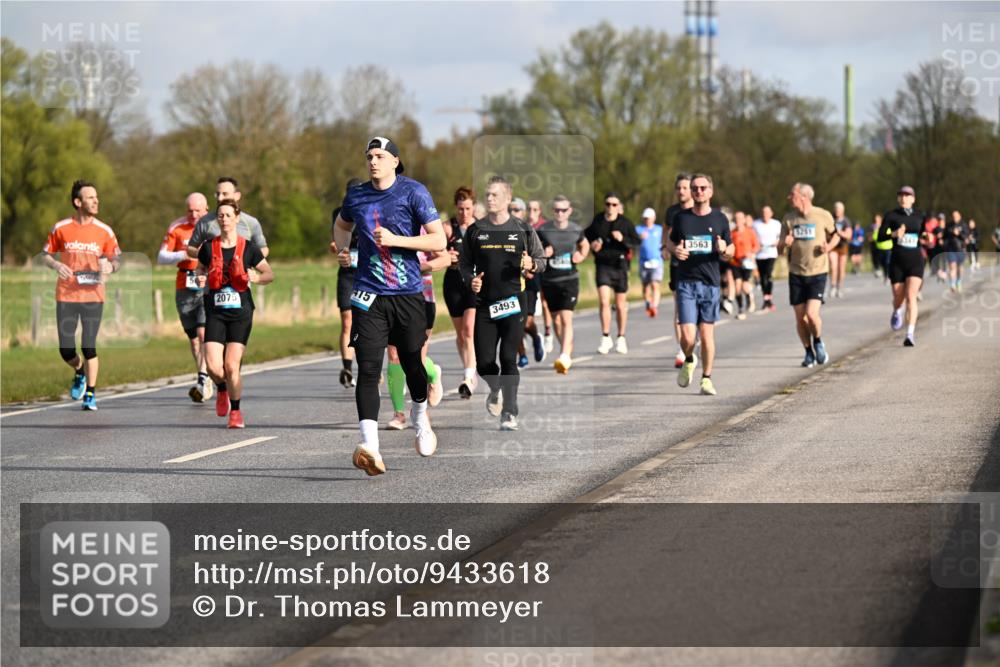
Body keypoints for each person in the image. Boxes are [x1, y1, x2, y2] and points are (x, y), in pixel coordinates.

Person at [332, 136, 446, 476]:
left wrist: (398, 240)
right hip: (368, 294)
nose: (373, 161)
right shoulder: (356, 196)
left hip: (407, 293)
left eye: (380, 155)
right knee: (368, 368)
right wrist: (341, 249)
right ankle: (370, 446)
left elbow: (438, 240)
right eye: (369, 156)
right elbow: (342, 224)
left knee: (413, 363)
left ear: (395, 161)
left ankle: (419, 416)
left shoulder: (414, 192)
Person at [460, 175, 546, 430]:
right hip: (485, 304)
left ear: (508, 199)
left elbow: (541, 261)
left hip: (513, 303)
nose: (489, 198)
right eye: (487, 194)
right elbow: (464, 264)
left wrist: (532, 264)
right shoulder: (476, 231)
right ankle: (495, 387)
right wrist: (471, 280)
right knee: (485, 362)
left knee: (509, 357)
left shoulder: (522, 229)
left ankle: (510, 411)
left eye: (495, 195)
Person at [42, 180, 122, 411]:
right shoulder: (61, 228)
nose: (96, 200)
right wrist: (57, 266)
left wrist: (111, 268)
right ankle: (79, 372)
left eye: (97, 197)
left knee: (88, 346)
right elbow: (46, 255)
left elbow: (116, 259)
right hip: (66, 294)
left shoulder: (104, 230)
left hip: (93, 294)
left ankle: (91, 394)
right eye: (90, 197)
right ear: (78, 202)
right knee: (66, 349)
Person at [196, 199, 274, 428]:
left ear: (237, 218)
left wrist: (256, 278)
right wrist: (200, 277)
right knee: (212, 366)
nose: (224, 219)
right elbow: (200, 269)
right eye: (220, 215)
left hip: (241, 312)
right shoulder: (209, 247)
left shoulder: (248, 247)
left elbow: (269, 274)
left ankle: (236, 412)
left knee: (231, 366)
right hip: (215, 311)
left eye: (229, 215)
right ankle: (221, 387)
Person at [665, 173, 734, 396]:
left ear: (711, 191)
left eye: (703, 188)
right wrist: (675, 250)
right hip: (686, 282)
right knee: (687, 336)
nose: (698, 192)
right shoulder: (681, 218)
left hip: (710, 283)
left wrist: (724, 249)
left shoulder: (720, 219)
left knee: (706, 334)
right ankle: (689, 358)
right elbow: (669, 239)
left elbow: (731, 251)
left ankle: (706, 379)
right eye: (695, 188)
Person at [385, 241, 450, 429]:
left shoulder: (424, 228)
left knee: (416, 357)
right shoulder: (382, 229)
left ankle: (432, 376)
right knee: (394, 355)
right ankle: (399, 414)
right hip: (391, 300)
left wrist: (420, 267)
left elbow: (444, 258)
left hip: (422, 300)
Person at [158, 192, 212, 403]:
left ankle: (203, 377)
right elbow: (161, 257)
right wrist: (183, 255)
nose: (193, 214)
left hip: (206, 284)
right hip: (184, 284)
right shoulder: (177, 227)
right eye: (190, 210)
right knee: (193, 339)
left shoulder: (213, 225)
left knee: (202, 332)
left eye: (198, 210)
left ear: (206, 209)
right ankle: (205, 375)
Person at [778, 182, 838, 368]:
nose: (789, 198)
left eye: (792, 194)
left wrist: (829, 247)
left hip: (818, 271)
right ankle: (808, 351)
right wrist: (784, 244)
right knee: (800, 318)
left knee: (811, 315)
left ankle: (818, 342)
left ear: (803, 197)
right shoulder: (788, 219)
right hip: (796, 272)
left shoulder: (822, 215)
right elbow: (779, 249)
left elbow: (836, 235)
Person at [537, 195, 589, 373]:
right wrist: (544, 253)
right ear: (553, 211)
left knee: (566, 318)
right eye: (557, 210)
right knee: (556, 321)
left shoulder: (575, 230)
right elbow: (534, 252)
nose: (560, 213)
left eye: (563, 210)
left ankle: (564, 355)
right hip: (550, 281)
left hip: (569, 280)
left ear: (569, 211)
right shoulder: (543, 230)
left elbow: (585, 245)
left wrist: (581, 256)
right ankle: (566, 350)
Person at [586, 192, 640, 354]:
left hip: (620, 265)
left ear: (618, 206)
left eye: (614, 204)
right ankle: (605, 337)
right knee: (603, 302)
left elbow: (636, 242)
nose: (611, 207)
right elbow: (585, 237)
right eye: (608, 204)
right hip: (603, 265)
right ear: (605, 205)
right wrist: (593, 244)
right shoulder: (598, 221)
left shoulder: (625, 223)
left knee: (620, 304)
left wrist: (622, 239)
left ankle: (621, 337)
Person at [877, 186, 929, 347]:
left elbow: (924, 234)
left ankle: (910, 334)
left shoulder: (920, 216)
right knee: (898, 297)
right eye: (901, 195)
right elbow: (880, 237)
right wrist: (893, 234)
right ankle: (896, 310)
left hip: (915, 260)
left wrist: (927, 237)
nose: (903, 198)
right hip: (897, 261)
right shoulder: (891, 216)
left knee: (911, 296)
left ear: (913, 199)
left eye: (907, 195)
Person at [442, 187, 479, 398]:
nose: (464, 213)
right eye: (460, 209)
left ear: (473, 207)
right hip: (453, 282)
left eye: (467, 208)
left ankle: (468, 376)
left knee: (468, 330)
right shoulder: (448, 227)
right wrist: (446, 253)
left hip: (473, 283)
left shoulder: (480, 227)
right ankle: (469, 369)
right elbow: (433, 249)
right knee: (460, 334)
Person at [330, 178, 364, 388]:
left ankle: (369, 367)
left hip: (367, 273)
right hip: (346, 273)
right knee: (347, 320)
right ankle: (347, 368)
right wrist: (335, 246)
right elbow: (336, 237)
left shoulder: (370, 211)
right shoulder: (339, 213)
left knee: (365, 322)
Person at [186, 177, 269, 259]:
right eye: (218, 194)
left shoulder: (251, 222)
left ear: (237, 196)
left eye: (225, 194)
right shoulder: (205, 221)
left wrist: (249, 260)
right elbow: (191, 248)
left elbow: (263, 248)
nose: (220, 198)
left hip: (242, 272)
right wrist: (207, 257)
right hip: (214, 272)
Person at [664, 174, 694, 367]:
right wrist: (665, 248)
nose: (681, 191)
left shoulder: (698, 210)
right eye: (679, 188)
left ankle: (693, 339)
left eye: (685, 188)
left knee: (697, 311)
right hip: (677, 265)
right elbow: (666, 232)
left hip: (700, 267)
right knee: (679, 308)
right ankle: (682, 348)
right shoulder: (672, 212)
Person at [527, 198, 555, 353]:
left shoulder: (545, 227)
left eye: (535, 209)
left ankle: (548, 333)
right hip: (529, 271)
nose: (532, 212)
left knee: (545, 303)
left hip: (545, 269)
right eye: (529, 209)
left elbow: (551, 246)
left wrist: (549, 251)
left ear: (540, 211)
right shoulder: (522, 226)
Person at [729, 210, 760, 320]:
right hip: (735, 262)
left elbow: (756, 246)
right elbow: (729, 247)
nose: (738, 221)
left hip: (747, 262)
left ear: (743, 220)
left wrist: (752, 253)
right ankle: (741, 309)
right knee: (737, 286)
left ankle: (749, 296)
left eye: (740, 219)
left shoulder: (750, 232)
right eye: (736, 219)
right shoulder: (732, 233)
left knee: (744, 286)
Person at [752, 205, 781, 312]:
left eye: (767, 212)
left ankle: (768, 298)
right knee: (762, 277)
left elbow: (780, 236)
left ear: (771, 213)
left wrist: (777, 242)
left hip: (771, 253)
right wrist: (756, 245)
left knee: (768, 275)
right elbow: (752, 237)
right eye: (763, 213)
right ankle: (766, 298)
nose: (765, 215)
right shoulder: (756, 224)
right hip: (759, 254)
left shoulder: (776, 224)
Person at [636, 207, 664, 317]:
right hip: (644, 261)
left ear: (653, 218)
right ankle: (647, 302)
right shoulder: (639, 229)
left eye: (649, 218)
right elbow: (632, 240)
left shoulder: (659, 229)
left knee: (655, 284)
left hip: (657, 261)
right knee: (645, 286)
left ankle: (654, 306)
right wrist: (639, 238)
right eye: (645, 218)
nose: (647, 220)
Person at [829, 202, 853, 298]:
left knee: (841, 268)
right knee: (833, 267)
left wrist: (839, 233)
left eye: (838, 210)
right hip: (833, 246)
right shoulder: (831, 219)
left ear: (842, 211)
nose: (837, 212)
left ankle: (840, 287)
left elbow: (849, 235)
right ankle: (833, 286)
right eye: (836, 210)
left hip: (842, 246)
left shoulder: (846, 221)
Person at [945, 210, 969, 292]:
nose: (954, 217)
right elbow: (945, 236)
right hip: (951, 249)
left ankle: (958, 281)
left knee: (959, 267)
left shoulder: (964, 225)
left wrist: (959, 233)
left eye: (956, 216)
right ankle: (952, 284)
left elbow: (966, 236)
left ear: (960, 216)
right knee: (952, 266)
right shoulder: (949, 225)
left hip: (961, 249)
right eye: (953, 216)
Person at [871, 214, 892, 281]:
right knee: (882, 263)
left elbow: (890, 236)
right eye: (875, 220)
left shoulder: (887, 227)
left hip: (888, 248)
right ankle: (884, 274)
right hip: (879, 248)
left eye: (878, 220)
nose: (876, 221)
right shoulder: (875, 228)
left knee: (887, 262)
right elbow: (874, 237)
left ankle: (887, 276)